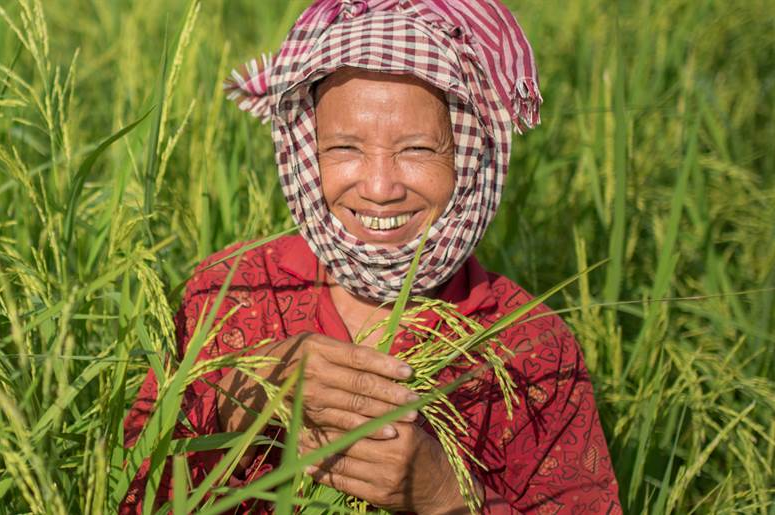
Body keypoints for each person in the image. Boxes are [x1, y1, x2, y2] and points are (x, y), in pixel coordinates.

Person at [120, 0, 621, 513]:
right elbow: (128, 488)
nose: (380, 188)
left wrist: (448, 496)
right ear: (305, 152)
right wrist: (233, 400)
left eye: (418, 150)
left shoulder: (530, 346)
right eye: (344, 148)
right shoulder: (229, 293)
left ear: (471, 157)